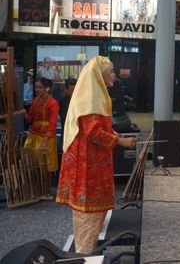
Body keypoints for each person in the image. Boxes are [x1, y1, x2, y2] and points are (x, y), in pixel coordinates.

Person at [56, 56, 137, 254]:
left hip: (93, 163)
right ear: (99, 76)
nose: (114, 75)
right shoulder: (91, 97)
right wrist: (120, 141)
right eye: (111, 71)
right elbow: (92, 132)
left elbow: (100, 128)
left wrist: (117, 136)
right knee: (87, 217)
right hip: (86, 165)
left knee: (94, 216)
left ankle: (90, 253)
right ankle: (85, 256)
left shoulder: (97, 95)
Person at [24, 77, 60, 199]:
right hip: (34, 135)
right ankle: (36, 191)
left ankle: (47, 192)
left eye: (40, 87)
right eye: (36, 87)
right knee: (32, 164)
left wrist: (45, 141)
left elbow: (53, 124)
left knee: (46, 166)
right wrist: (21, 110)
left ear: (47, 88)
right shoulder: (35, 101)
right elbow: (30, 119)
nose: (37, 90)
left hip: (46, 138)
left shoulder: (53, 103)